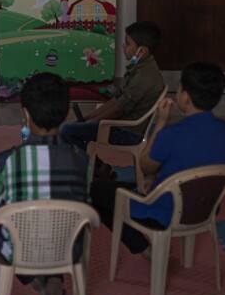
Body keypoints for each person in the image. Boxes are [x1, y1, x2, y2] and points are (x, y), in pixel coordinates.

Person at [90, 61, 225, 256]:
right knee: (121, 188)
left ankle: (143, 247)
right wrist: (153, 179)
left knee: (94, 190)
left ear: (185, 96)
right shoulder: (224, 129)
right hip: (204, 207)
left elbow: (145, 166)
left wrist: (161, 122)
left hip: (166, 209)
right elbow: (192, 163)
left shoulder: (173, 133)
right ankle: (146, 248)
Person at [0, 72, 89, 295]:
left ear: (25, 114)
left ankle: (36, 280)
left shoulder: (7, 160)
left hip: (20, 249)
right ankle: (54, 279)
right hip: (67, 247)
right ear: (66, 115)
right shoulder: (81, 159)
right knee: (54, 221)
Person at [60, 21, 165, 179]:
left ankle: (95, 169)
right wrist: (88, 119)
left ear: (141, 51)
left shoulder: (143, 77)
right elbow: (117, 100)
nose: (123, 46)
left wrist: (93, 123)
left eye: (128, 43)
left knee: (66, 131)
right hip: (120, 123)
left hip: (127, 132)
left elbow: (118, 110)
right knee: (74, 126)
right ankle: (98, 168)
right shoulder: (140, 69)